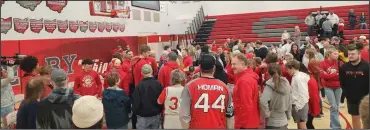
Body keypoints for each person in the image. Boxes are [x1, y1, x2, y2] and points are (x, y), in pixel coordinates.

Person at [179, 54, 231, 129]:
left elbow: (183, 115)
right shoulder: (224, 87)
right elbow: (229, 114)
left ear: (200, 68)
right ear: (214, 68)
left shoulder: (190, 86)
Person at [339, 44, 369, 129]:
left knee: (366, 120)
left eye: (353, 54)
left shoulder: (367, 66)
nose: (350, 56)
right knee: (355, 118)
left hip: (366, 99)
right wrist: (347, 94)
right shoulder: (344, 67)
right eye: (349, 54)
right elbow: (342, 82)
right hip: (352, 99)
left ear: (359, 54)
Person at [259, 63, 292, 129]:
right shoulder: (287, 84)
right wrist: (288, 115)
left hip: (272, 122)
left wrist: (267, 114)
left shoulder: (269, 86)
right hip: (284, 121)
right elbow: (290, 100)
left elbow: (263, 101)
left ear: (268, 72)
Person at [232, 53, 260, 128]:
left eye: (234, 64)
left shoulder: (244, 81)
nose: (232, 67)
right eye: (232, 64)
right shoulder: (246, 77)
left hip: (245, 124)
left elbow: (246, 105)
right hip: (250, 121)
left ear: (243, 64)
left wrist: (239, 125)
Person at [132, 64, 163, 129]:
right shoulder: (158, 84)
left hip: (143, 116)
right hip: (156, 114)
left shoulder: (139, 86)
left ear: (142, 73)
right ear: (151, 71)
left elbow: (136, 103)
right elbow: (161, 100)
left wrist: (135, 112)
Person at [320, 46, 343, 129]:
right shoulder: (323, 63)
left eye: (337, 53)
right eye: (335, 53)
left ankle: (332, 125)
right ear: (329, 54)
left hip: (338, 87)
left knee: (336, 107)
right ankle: (336, 127)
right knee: (333, 106)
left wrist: (329, 75)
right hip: (328, 87)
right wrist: (335, 74)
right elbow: (323, 76)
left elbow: (341, 76)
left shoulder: (340, 63)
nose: (337, 55)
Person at [285, 60, 309, 129]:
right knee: (300, 125)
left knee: (302, 126)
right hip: (298, 105)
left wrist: (297, 107)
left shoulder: (298, 78)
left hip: (300, 105)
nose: (287, 71)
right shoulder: (296, 76)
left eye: (288, 69)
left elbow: (304, 94)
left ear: (292, 68)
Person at [305, 59, 321, 129]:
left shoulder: (312, 76)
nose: (318, 69)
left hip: (309, 105)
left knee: (309, 123)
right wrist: (315, 110)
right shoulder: (311, 79)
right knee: (308, 123)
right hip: (309, 106)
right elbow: (313, 97)